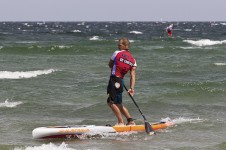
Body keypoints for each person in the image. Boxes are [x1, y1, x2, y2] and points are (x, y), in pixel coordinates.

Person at [107, 37, 137, 126]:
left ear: (125, 45)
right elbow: (132, 75)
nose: (118, 46)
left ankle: (121, 122)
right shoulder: (133, 60)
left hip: (114, 80)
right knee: (118, 103)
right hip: (121, 81)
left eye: (119, 45)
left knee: (111, 102)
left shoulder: (117, 53)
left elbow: (110, 65)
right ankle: (131, 121)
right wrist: (132, 88)